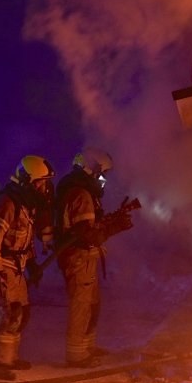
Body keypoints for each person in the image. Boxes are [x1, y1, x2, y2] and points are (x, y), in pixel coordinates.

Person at [54, 149, 133, 366]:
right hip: (78, 258)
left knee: (92, 303)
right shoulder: (81, 194)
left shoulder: (80, 191)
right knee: (81, 304)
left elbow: (89, 226)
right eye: (103, 173)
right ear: (92, 169)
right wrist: (115, 227)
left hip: (84, 258)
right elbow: (86, 234)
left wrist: (110, 223)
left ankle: (86, 346)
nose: (104, 179)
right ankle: (76, 355)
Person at [0, 154, 53, 380]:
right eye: (41, 183)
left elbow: (25, 240)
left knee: (21, 313)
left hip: (18, 266)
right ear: (28, 181)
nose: (44, 188)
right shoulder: (6, 203)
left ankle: (9, 357)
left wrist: (32, 263)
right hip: (3, 265)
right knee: (9, 313)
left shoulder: (25, 204)